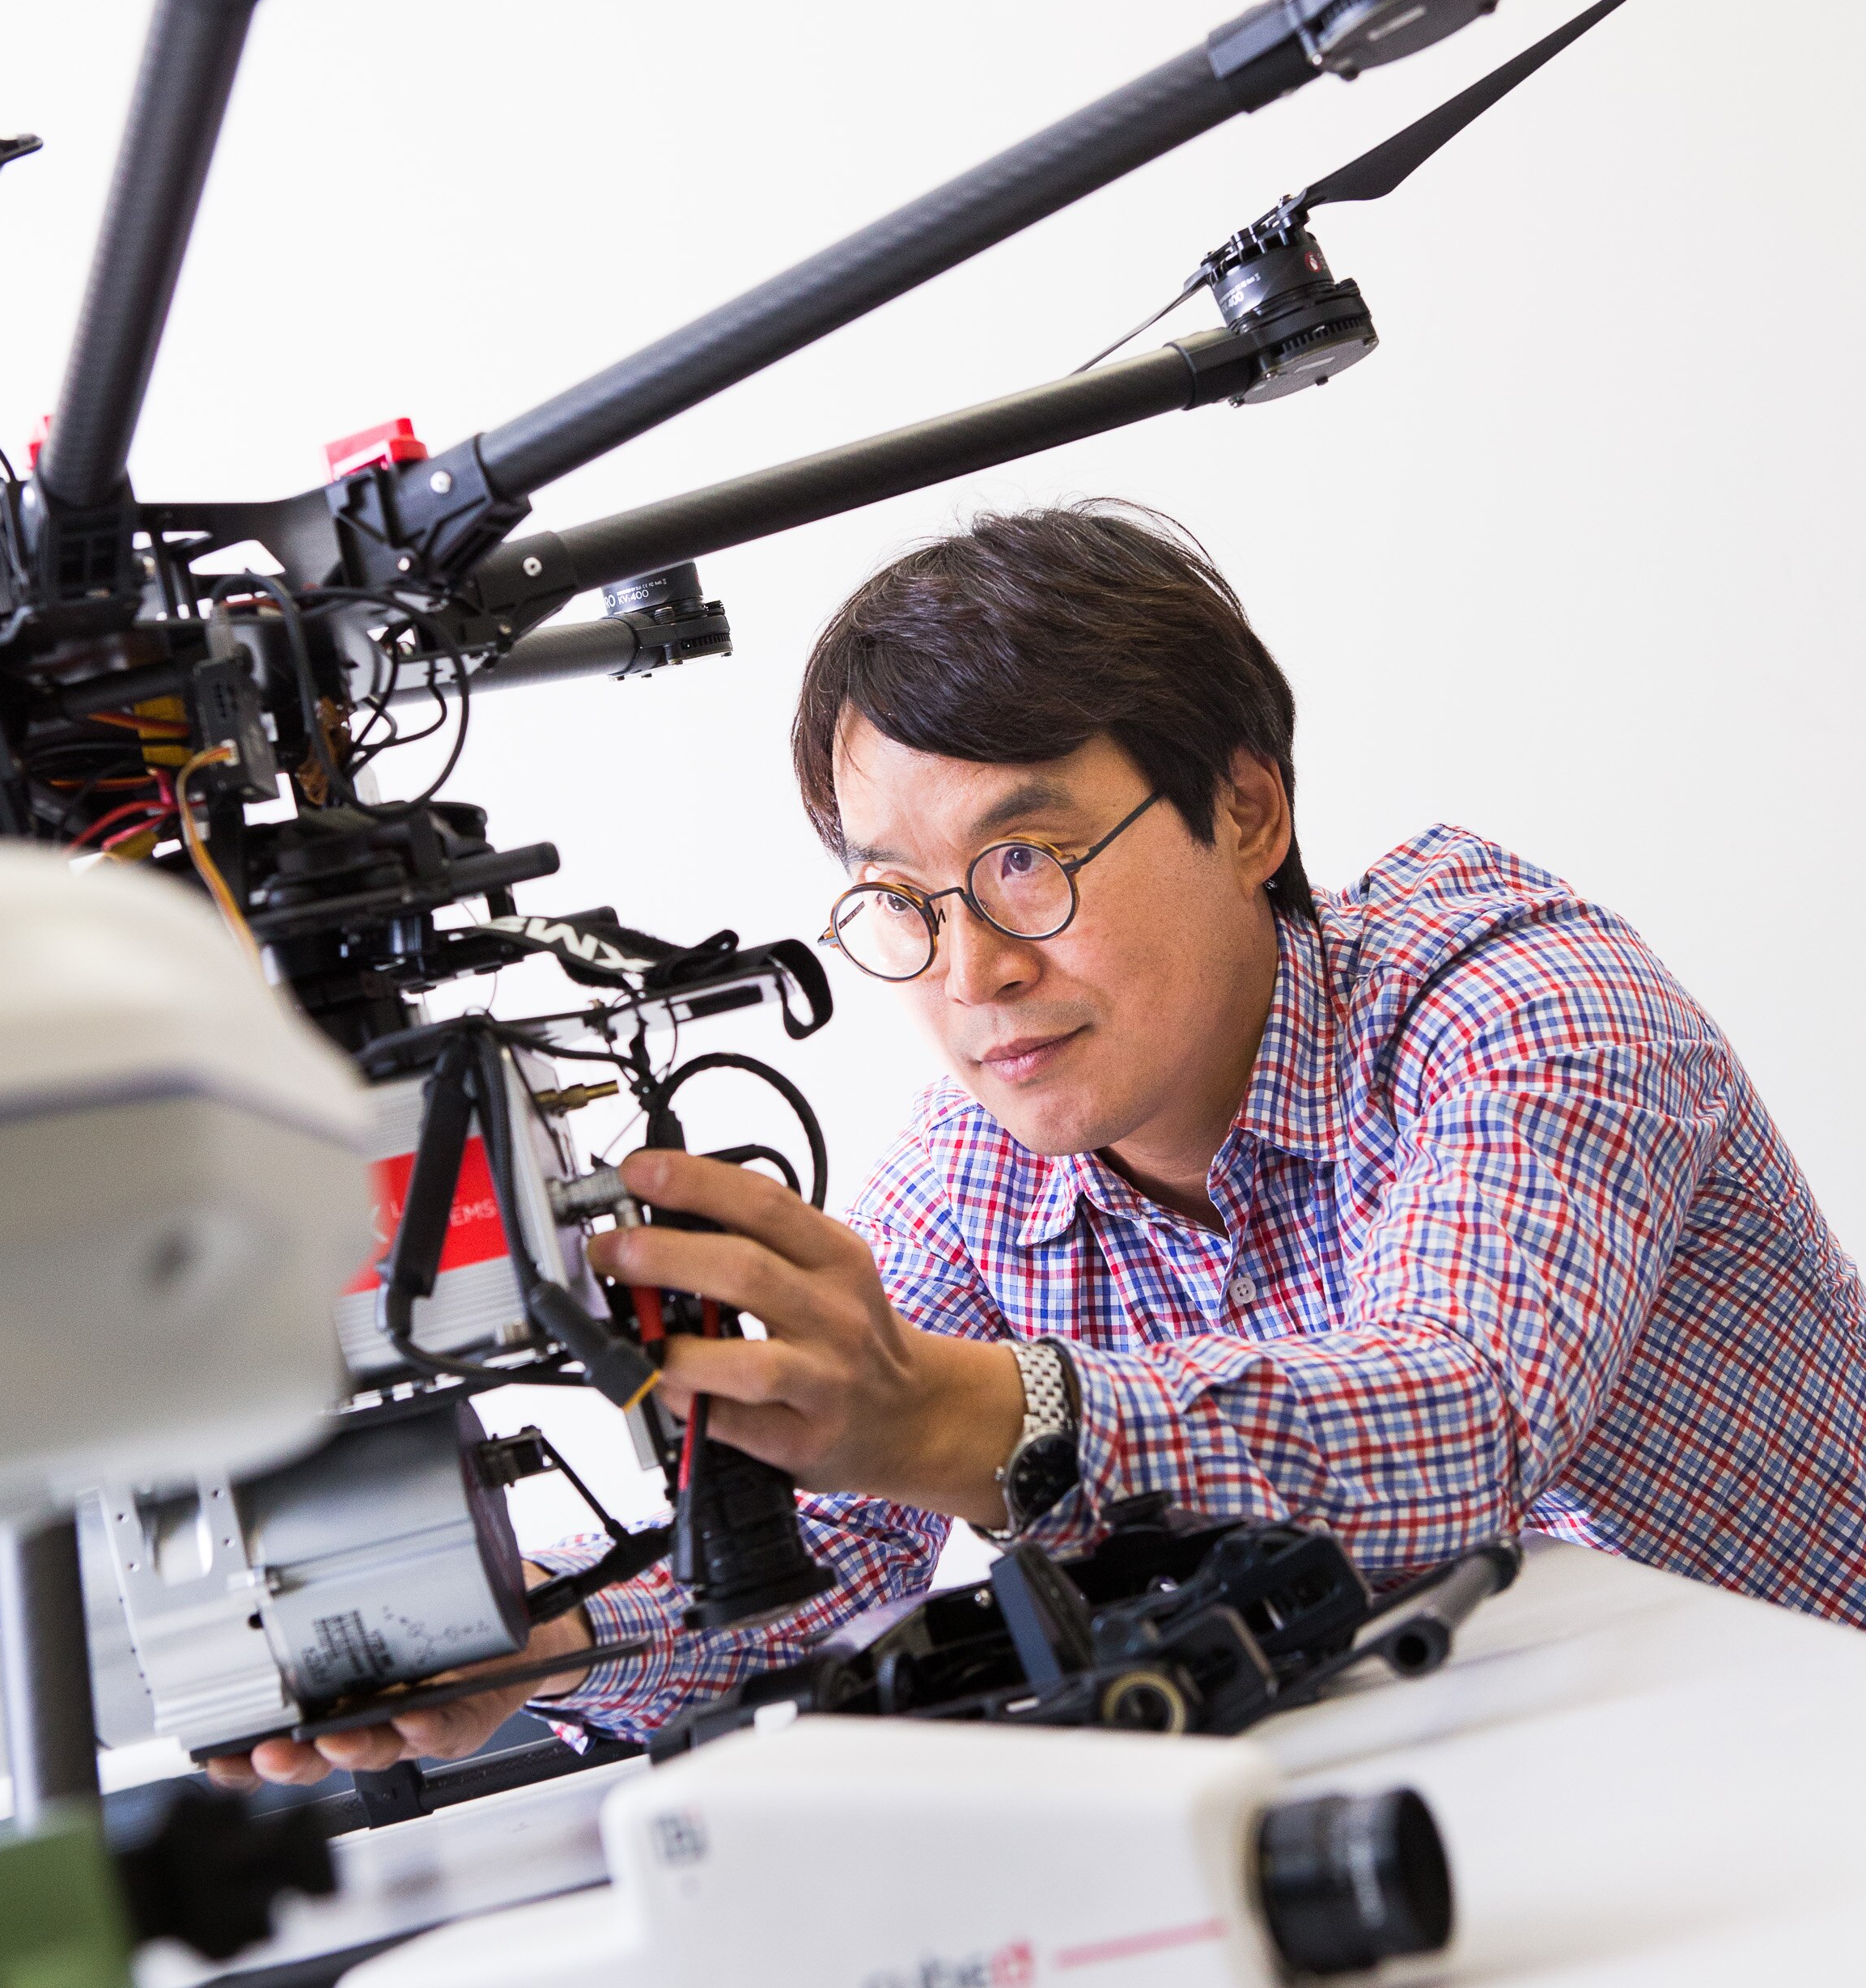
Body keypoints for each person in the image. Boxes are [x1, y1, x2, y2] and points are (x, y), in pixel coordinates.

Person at [222, 504, 1866, 1791]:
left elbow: (1463, 1413)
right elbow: (822, 1543)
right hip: (1505, 1827)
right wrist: (514, 1641)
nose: (971, 971)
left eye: (1026, 862)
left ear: (1246, 811)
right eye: (902, 899)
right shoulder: (981, 1168)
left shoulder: (1515, 995)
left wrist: (963, 1410)